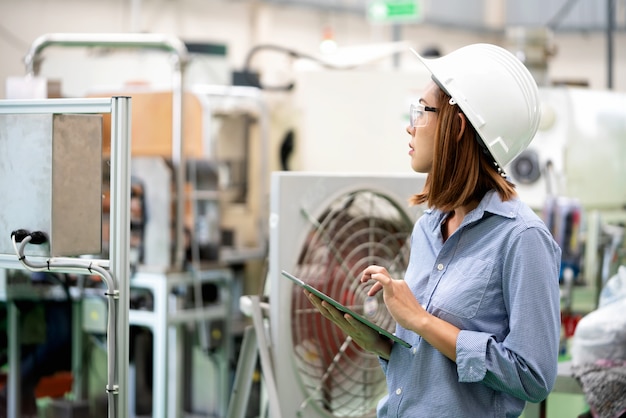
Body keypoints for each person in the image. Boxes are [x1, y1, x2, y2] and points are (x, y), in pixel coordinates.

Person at [305, 43, 562, 417]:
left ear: (457, 127)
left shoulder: (522, 238)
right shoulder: (428, 227)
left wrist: (421, 321)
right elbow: (435, 366)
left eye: (422, 112)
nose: (410, 126)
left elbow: (533, 377)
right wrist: (383, 344)